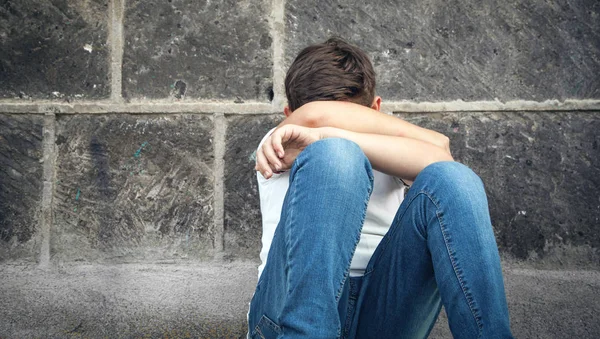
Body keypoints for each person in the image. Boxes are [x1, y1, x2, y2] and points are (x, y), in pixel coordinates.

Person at [249, 37, 513, 339]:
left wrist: (324, 135)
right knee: (336, 156)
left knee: (454, 179)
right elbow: (312, 116)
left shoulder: (384, 149)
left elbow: (441, 153)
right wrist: (330, 140)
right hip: (286, 315)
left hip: (381, 313)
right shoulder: (280, 141)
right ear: (288, 117)